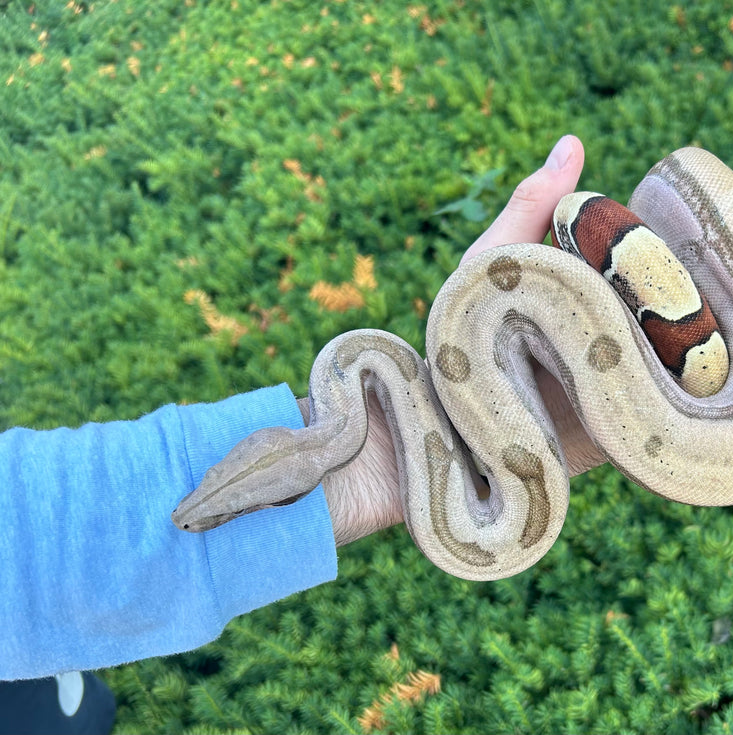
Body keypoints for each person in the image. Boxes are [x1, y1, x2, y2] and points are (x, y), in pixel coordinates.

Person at [0, 136, 599, 697]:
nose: (205, 507)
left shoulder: (351, 366)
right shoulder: (353, 361)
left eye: (233, 498)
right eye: (234, 504)